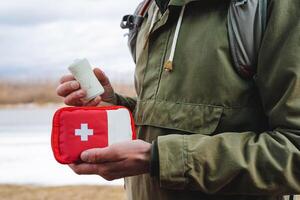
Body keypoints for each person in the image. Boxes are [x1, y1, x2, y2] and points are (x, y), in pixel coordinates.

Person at [56, 0, 300, 199]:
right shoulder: (149, 10)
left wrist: (157, 159)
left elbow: (294, 150)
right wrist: (115, 107)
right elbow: (167, 117)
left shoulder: (269, 7)